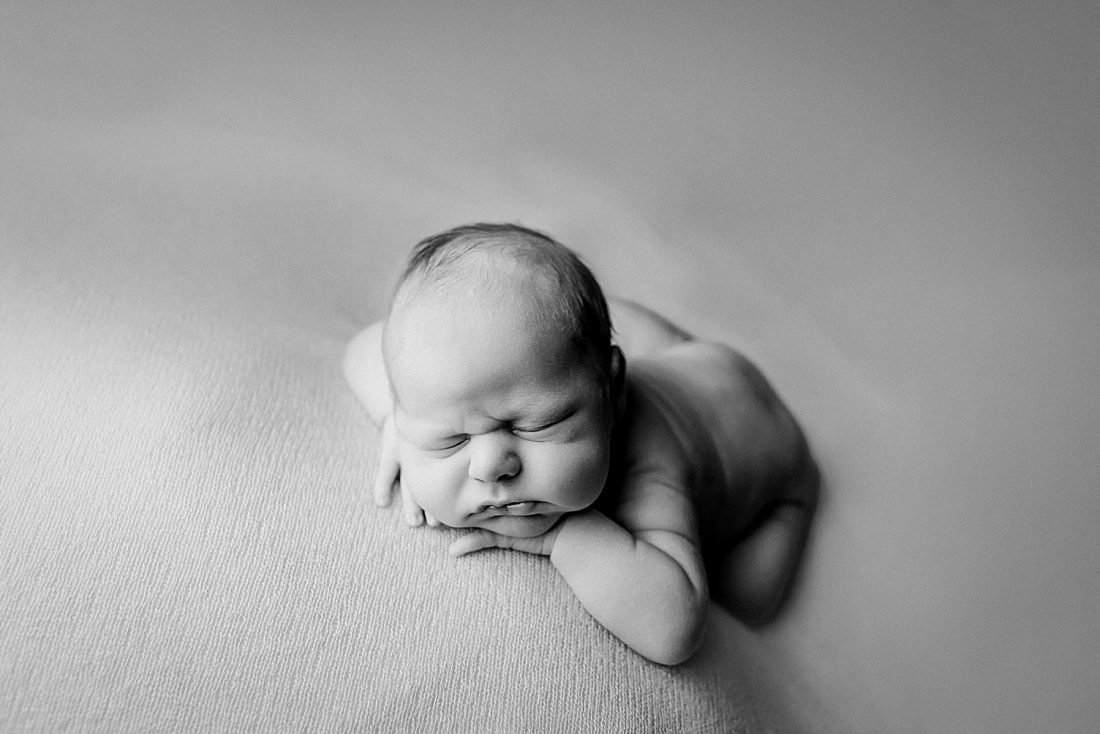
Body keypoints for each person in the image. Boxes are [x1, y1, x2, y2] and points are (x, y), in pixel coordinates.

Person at [343, 223, 819, 665]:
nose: (490, 466)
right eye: (451, 438)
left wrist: (563, 535)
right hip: (682, 363)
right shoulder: (438, 395)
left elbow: (673, 629)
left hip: (772, 455)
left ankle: (799, 494)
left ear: (613, 395)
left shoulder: (649, 468)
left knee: (747, 598)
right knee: (556, 334)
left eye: (534, 425)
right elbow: (363, 347)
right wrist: (399, 423)